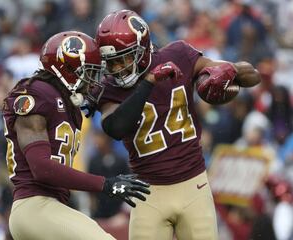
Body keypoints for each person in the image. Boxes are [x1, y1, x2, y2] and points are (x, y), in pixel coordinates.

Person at [92, 9, 261, 240]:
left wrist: (228, 69)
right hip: (148, 193)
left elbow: (253, 77)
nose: (117, 68)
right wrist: (149, 81)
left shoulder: (179, 54)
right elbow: (115, 128)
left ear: (142, 49)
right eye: (111, 62)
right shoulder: (109, 87)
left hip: (193, 185)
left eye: (124, 57)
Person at [1, 31, 150, 240]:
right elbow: (41, 168)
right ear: (69, 69)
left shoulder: (64, 104)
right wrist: (104, 184)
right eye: (89, 73)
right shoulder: (38, 94)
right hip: (35, 207)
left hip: (51, 207)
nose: (92, 82)